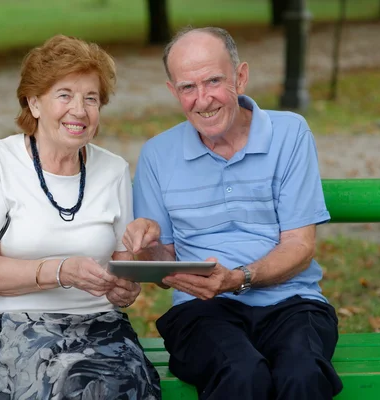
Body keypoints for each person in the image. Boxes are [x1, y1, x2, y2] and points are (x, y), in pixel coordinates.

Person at [123, 27, 343, 400]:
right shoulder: (158, 154)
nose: (202, 99)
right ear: (173, 91)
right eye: (187, 87)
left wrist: (238, 278)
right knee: (241, 373)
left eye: (213, 81)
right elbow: (165, 269)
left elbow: (300, 244)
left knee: (302, 373)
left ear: (240, 77)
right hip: (201, 310)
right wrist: (148, 247)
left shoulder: (290, 133)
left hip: (292, 302)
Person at [0, 35, 161, 400]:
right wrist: (61, 271)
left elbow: (122, 266)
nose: (79, 110)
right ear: (34, 102)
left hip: (99, 324)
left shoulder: (113, 170)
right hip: (9, 321)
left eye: (91, 98)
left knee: (131, 384)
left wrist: (125, 286)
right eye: (64, 95)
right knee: (70, 384)